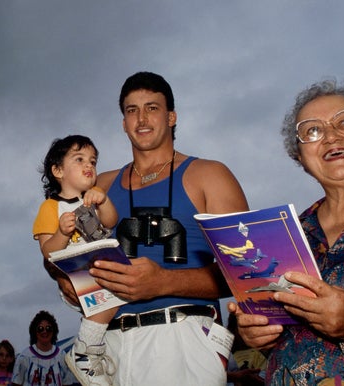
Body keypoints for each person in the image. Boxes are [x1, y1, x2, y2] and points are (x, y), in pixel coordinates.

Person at [53, 71, 249, 385]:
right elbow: (58, 245)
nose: (141, 119)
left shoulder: (209, 175)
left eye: (152, 108)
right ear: (123, 122)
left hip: (183, 335)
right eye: (132, 110)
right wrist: (65, 279)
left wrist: (163, 282)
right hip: (108, 346)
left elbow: (247, 274)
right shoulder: (100, 184)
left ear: (172, 117)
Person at [229, 79, 344, 384]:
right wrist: (259, 332)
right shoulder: (288, 233)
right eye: (312, 131)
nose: (330, 136)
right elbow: (281, 332)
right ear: (301, 158)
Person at [33, 135, 118, 386]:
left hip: (101, 266)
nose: (89, 165)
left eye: (93, 160)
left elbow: (111, 221)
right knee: (107, 301)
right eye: (79, 159)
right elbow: (48, 251)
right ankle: (84, 351)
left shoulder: (93, 197)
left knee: (119, 296)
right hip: (74, 272)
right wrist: (62, 233)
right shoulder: (50, 207)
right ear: (58, 170)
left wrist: (104, 200)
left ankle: (96, 353)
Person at [12, 310, 76, 386]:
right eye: (40, 328)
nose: (45, 331)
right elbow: (16, 383)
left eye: (48, 328)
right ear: (34, 332)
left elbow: (67, 383)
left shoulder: (62, 356)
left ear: (54, 331)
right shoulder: (24, 357)